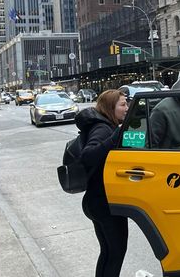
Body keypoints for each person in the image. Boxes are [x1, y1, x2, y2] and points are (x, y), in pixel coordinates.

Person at [75, 89, 129, 277]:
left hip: (98, 201)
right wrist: (115, 136)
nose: (126, 108)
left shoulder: (106, 125)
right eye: (122, 104)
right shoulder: (102, 128)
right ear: (110, 107)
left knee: (109, 253)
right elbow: (87, 156)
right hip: (103, 202)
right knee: (116, 253)